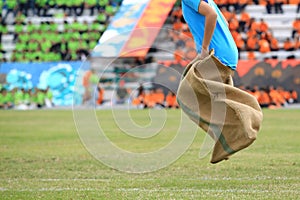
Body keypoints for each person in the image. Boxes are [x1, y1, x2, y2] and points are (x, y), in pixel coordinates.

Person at [181, 0, 238, 70]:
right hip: (228, 53)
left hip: (215, 54)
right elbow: (225, 23)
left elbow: (212, 15)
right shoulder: (210, 1)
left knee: (188, 79)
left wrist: (204, 48)